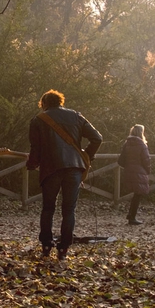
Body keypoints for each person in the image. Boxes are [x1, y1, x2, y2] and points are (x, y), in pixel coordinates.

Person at [27, 89, 102, 261]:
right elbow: (97, 138)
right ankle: (64, 249)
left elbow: (35, 148)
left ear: (43, 104)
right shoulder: (76, 116)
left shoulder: (38, 120)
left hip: (50, 169)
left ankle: (46, 245)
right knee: (69, 210)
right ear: (61, 102)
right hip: (74, 168)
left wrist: (32, 164)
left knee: (48, 208)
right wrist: (85, 156)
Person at [120, 124, 150, 225]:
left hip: (128, 170)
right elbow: (146, 160)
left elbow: (121, 160)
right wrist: (147, 171)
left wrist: (128, 166)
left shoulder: (126, 144)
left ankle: (131, 215)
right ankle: (132, 217)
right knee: (138, 194)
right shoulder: (142, 144)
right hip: (139, 171)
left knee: (136, 194)